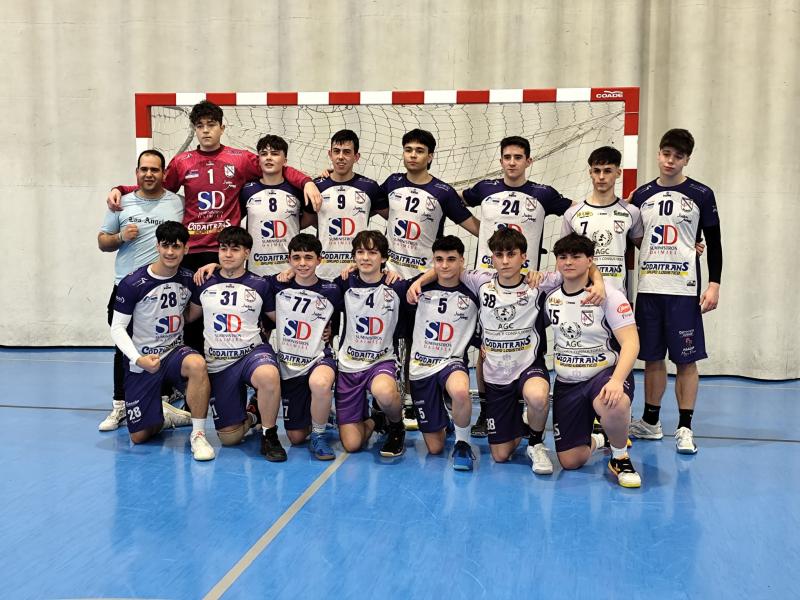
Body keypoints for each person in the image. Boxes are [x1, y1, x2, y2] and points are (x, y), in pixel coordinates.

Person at [107, 100, 321, 350]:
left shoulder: (240, 159)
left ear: (222, 127)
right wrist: (123, 189)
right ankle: (189, 368)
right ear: (195, 129)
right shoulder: (182, 161)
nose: (206, 130)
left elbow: (275, 166)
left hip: (225, 251)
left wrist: (307, 182)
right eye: (200, 126)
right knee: (189, 316)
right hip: (190, 251)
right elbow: (156, 187)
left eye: (211, 124)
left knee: (227, 314)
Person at [417, 228, 604, 473]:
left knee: (537, 397)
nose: (505, 261)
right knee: (500, 455)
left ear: (523, 257)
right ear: (492, 258)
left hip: (528, 366)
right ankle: (520, 425)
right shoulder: (480, 280)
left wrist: (599, 282)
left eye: (511, 254)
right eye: (499, 255)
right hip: (496, 375)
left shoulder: (539, 282)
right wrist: (419, 282)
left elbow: (583, 265)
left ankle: (536, 443)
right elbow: (445, 268)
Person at [461, 136, 572, 438]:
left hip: (527, 284)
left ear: (528, 161)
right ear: (500, 161)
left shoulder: (543, 194)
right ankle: (487, 410)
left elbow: (576, 211)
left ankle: (525, 402)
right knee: (486, 348)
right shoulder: (485, 189)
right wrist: (478, 229)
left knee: (523, 342)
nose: (512, 162)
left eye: (518, 157)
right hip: (488, 282)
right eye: (507, 157)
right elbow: (453, 202)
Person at [628, 129, 722, 454]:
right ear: (658, 153)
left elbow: (715, 242)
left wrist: (714, 284)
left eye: (678, 156)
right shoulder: (640, 195)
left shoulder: (701, 194)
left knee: (686, 359)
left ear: (687, 159)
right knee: (652, 357)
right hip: (649, 289)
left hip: (684, 289)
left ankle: (685, 427)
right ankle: (650, 422)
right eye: (666, 153)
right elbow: (635, 237)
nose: (670, 161)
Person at [378, 128, 480, 429]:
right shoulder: (392, 183)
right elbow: (367, 202)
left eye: (419, 151)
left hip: (425, 279)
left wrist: (505, 243)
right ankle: (388, 403)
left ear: (430, 156)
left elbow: (475, 227)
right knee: (388, 340)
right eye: (408, 149)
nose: (413, 155)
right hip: (392, 277)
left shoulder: (443, 192)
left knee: (420, 341)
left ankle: (421, 399)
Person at [108, 221, 215, 461]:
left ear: (186, 249)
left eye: (176, 247)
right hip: (144, 359)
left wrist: (215, 264)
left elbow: (193, 311)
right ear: (157, 246)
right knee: (139, 436)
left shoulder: (188, 278)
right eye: (165, 246)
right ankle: (164, 415)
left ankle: (198, 434)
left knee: (197, 364)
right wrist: (138, 359)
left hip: (174, 352)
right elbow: (117, 328)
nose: (170, 252)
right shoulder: (132, 283)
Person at [544, 233, 641, 487]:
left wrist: (617, 381)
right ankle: (601, 439)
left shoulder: (610, 295)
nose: (568, 262)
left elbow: (631, 343)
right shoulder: (550, 295)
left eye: (576, 256)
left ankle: (620, 457)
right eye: (562, 257)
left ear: (590, 260)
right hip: (567, 382)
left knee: (614, 402)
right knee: (570, 461)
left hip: (602, 373)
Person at [97, 150, 184, 431]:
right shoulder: (122, 202)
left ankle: (162, 402)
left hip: (163, 290)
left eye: (155, 169)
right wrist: (121, 236)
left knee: (165, 344)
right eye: (144, 169)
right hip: (126, 287)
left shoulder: (177, 203)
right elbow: (102, 241)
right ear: (136, 172)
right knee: (122, 347)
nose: (149, 174)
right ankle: (120, 405)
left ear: (164, 174)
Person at [187, 226, 286, 462]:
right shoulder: (204, 281)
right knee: (229, 438)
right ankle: (253, 415)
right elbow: (189, 316)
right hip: (219, 363)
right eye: (223, 249)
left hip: (252, 353)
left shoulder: (260, 284)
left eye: (235, 249)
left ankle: (269, 435)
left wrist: (324, 328)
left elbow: (280, 317)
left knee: (268, 375)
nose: (228, 254)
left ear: (247, 253)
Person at [404, 236, 480, 471]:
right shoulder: (417, 289)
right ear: (433, 261)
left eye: (451, 259)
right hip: (421, 367)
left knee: (460, 391)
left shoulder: (475, 290)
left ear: (462, 261)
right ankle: (446, 419)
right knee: (435, 448)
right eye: (439, 260)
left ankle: (462, 444)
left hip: (451, 362)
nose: (445, 265)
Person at [265, 233, 342, 460]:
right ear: (288, 259)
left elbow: (344, 313)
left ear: (319, 260)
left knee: (320, 383)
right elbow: (241, 275)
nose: (302, 263)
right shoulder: (275, 284)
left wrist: (331, 331)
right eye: (296, 257)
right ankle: (321, 413)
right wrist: (213, 264)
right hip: (289, 364)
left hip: (319, 358)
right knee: (296, 437)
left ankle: (319, 434)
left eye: (308, 257)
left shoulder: (331, 289)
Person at [333, 230, 408, 458]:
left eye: (373, 253)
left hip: (381, 361)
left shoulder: (397, 286)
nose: (365, 258)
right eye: (360, 252)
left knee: (384, 392)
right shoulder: (343, 283)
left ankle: (396, 426)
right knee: (352, 444)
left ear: (383, 258)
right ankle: (377, 419)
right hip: (349, 365)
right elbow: (315, 292)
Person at [561, 146, 643, 294]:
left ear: (618, 173)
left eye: (607, 171)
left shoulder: (631, 212)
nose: (601, 176)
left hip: (616, 295)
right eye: (596, 171)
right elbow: (562, 257)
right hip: (581, 294)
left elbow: (646, 249)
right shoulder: (572, 214)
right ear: (590, 173)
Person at [311, 129, 387, 281]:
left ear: (356, 157)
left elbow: (394, 217)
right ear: (330, 154)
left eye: (346, 152)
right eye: (336, 151)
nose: (340, 157)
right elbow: (307, 220)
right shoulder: (316, 186)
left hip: (358, 270)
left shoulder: (370, 187)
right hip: (324, 271)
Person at [239, 134, 315, 276]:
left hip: (290, 271)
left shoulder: (297, 190)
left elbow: (310, 218)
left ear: (285, 160)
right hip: (256, 270)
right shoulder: (246, 190)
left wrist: (292, 224)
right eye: (264, 154)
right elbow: (235, 219)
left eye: (274, 154)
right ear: (259, 159)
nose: (268, 158)